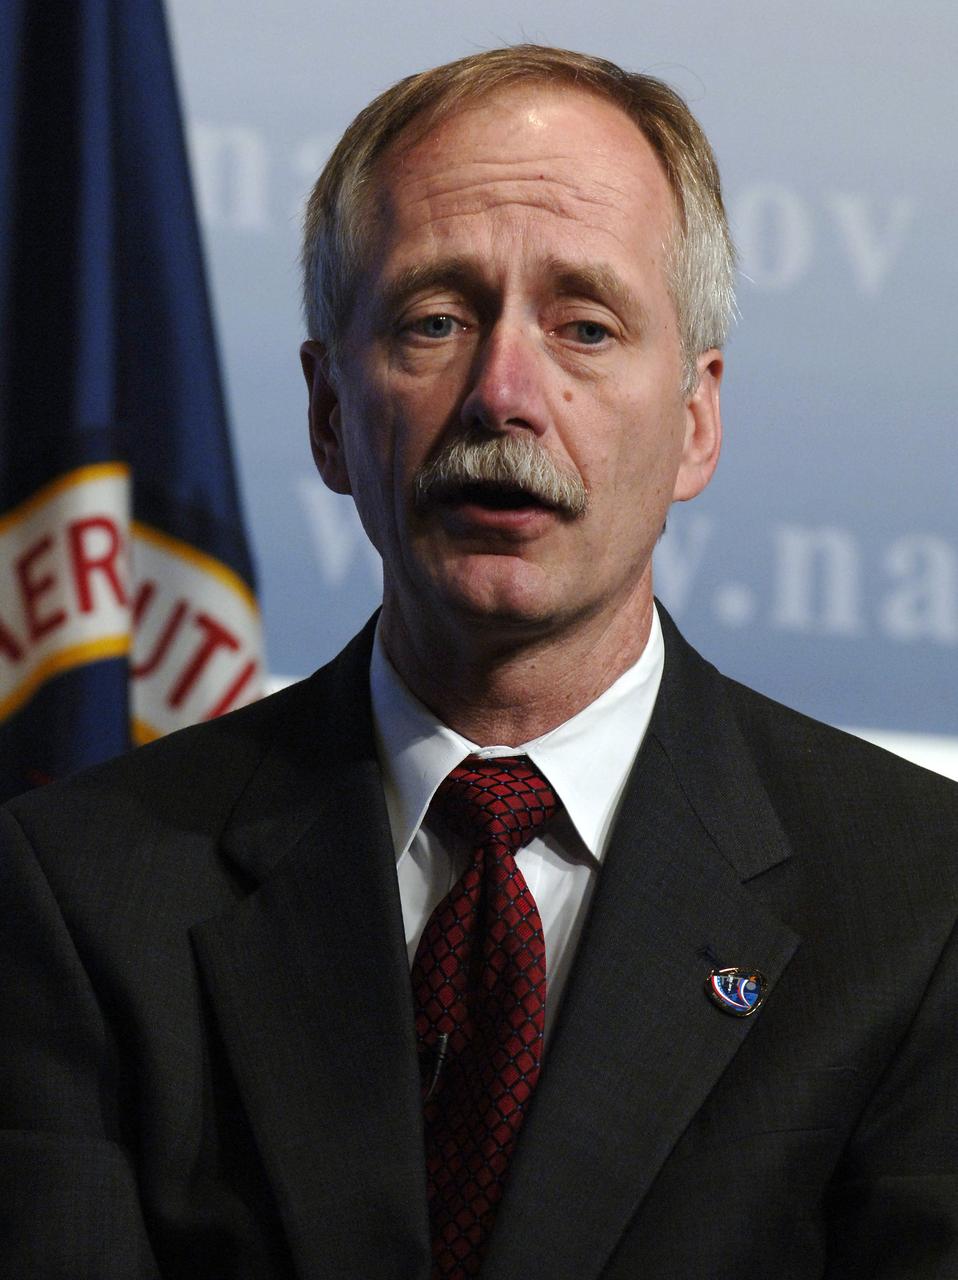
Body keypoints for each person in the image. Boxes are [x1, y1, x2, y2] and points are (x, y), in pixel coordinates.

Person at [2, 43, 957, 1280]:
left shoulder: (920, 903)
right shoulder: (78, 887)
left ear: (695, 419)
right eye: (434, 319)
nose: (504, 390)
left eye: (586, 325)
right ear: (329, 415)